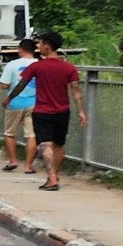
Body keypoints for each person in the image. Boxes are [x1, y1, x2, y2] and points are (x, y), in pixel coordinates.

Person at [16, 32, 82, 191]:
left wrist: (9, 98)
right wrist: (81, 111)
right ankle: (54, 176)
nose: (38, 47)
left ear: (47, 46)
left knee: (45, 144)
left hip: (42, 111)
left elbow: (21, 84)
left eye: (40, 44)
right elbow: (76, 91)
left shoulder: (37, 66)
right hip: (63, 111)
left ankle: (51, 178)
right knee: (59, 144)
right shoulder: (69, 67)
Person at [0, 41, 38, 172]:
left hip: (14, 103)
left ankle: (13, 161)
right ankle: (28, 166)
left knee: (9, 132)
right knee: (31, 135)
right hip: (34, 103)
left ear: (20, 49)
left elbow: (4, 85)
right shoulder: (39, 64)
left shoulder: (12, 64)